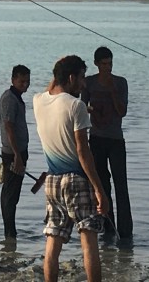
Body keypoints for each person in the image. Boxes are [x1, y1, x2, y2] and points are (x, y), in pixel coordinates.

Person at [34, 54, 110, 282]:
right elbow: (83, 152)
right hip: (75, 180)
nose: (84, 83)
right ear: (70, 78)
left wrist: (57, 66)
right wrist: (99, 189)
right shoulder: (76, 106)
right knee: (89, 242)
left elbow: (51, 87)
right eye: (82, 78)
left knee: (53, 243)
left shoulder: (38, 100)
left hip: (52, 181)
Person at [80, 45, 132, 242]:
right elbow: (82, 109)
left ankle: (125, 231)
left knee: (121, 185)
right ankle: (107, 226)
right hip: (96, 138)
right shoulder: (89, 83)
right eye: (104, 64)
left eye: (110, 64)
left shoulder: (120, 83)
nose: (108, 68)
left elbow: (122, 111)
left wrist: (112, 92)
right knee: (101, 184)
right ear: (96, 64)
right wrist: (91, 110)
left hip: (116, 139)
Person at [0, 64, 31, 240]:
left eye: (27, 81)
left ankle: (10, 232)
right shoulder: (9, 98)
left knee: (12, 193)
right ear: (13, 80)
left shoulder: (17, 98)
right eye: (21, 81)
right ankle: (9, 233)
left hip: (18, 152)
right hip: (13, 153)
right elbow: (8, 126)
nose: (25, 84)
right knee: (10, 194)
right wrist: (17, 155)